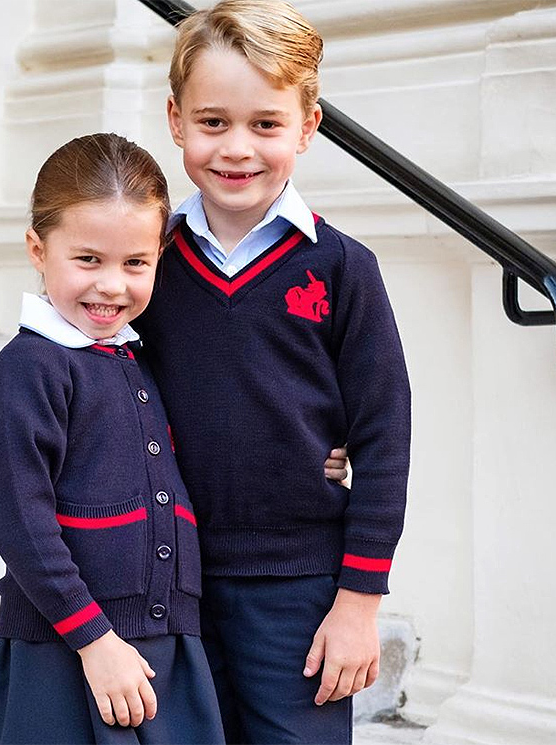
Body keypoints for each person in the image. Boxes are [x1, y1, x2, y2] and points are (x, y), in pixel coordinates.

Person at [133, 1, 411, 743]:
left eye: (265, 124)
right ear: (175, 119)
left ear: (307, 126)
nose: (236, 148)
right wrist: (13, 463)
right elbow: (80, 376)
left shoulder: (343, 268)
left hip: (297, 586)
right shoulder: (147, 263)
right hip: (168, 577)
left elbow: (383, 438)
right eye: (213, 121)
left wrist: (358, 600)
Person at [0, 133, 226, 745]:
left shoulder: (136, 359)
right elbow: (19, 520)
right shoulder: (30, 370)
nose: (112, 285)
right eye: (88, 260)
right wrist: (93, 639)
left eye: (135, 264)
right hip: (63, 651)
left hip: (163, 644)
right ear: (37, 248)